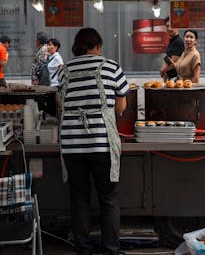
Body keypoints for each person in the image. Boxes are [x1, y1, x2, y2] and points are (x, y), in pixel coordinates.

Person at [59, 28, 129, 255]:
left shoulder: (64, 70)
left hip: (71, 145)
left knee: (79, 199)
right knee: (108, 198)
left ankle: (83, 249)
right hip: (101, 144)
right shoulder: (111, 66)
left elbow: (61, 103)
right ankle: (110, 250)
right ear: (97, 46)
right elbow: (121, 107)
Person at [160, 17, 184, 82]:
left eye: (171, 26)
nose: (169, 28)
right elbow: (168, 60)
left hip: (177, 80)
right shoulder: (172, 41)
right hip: (171, 79)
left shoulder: (178, 42)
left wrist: (162, 71)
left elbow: (173, 64)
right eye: (167, 26)